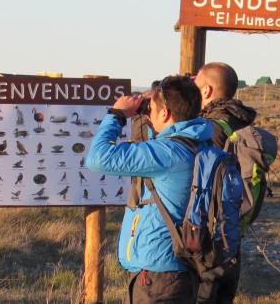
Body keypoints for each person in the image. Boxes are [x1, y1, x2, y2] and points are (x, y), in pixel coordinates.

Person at [86, 75, 208, 303]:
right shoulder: (197, 141)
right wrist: (150, 108)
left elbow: (97, 158)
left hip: (157, 276)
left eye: (151, 109)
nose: (148, 112)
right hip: (179, 268)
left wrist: (118, 115)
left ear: (165, 113)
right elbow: (163, 139)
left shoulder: (167, 153)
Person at [192, 61, 256, 303]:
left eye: (195, 85)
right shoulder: (240, 122)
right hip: (232, 237)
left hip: (208, 241)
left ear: (206, 91)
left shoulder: (209, 129)